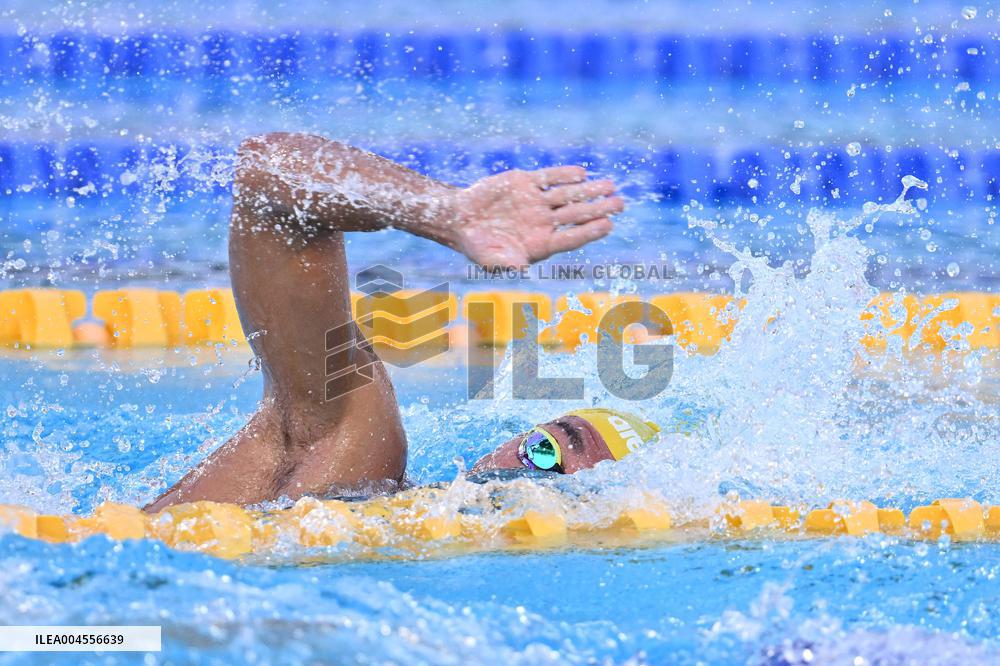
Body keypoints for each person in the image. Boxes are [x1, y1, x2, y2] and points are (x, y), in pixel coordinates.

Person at [146, 133, 659, 512]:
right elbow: (269, 174)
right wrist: (443, 212)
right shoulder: (357, 460)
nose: (529, 481)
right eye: (542, 449)